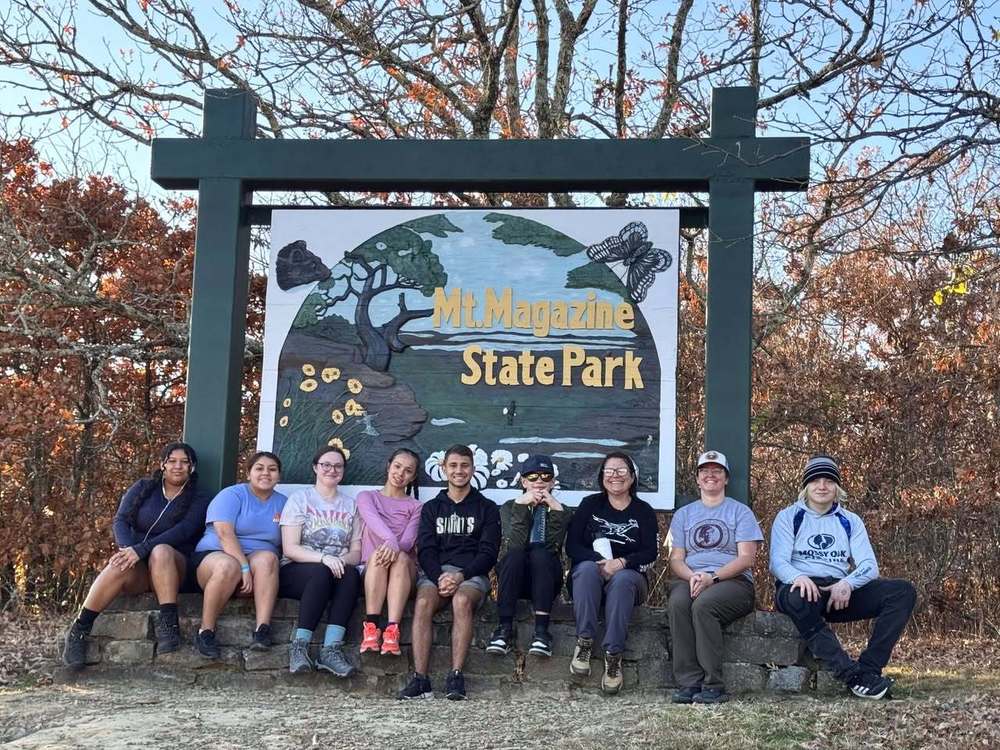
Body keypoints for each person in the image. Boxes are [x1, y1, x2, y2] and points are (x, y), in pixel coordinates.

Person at [770, 454, 916, 700]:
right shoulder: (789, 517)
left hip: (837, 590)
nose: (822, 486)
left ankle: (869, 669)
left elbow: (869, 565)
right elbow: (777, 562)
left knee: (902, 592)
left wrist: (847, 582)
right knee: (796, 596)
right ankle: (851, 675)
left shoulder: (850, 520)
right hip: (800, 589)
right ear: (806, 486)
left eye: (829, 480)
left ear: (837, 487)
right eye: (816, 480)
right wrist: (798, 577)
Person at [62, 442, 210, 669]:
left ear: (192, 467)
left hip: (175, 566)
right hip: (140, 565)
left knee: (161, 552)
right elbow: (120, 520)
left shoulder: (199, 497)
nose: (178, 466)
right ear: (163, 465)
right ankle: (79, 630)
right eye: (172, 461)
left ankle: (169, 623)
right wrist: (127, 549)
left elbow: (184, 530)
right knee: (118, 565)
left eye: (184, 462)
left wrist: (141, 549)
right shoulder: (143, 487)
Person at [398, 444, 501, 701]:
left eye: (464, 465)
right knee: (422, 602)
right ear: (444, 469)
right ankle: (421, 679)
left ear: (473, 469)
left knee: (462, 600)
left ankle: (456, 676)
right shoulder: (432, 508)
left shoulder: (486, 508)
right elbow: (426, 550)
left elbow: (488, 553)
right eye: (453, 465)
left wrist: (461, 576)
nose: (459, 471)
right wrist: (439, 576)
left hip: (472, 575)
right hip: (437, 573)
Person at [666, 450, 764, 704]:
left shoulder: (740, 512)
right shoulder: (683, 515)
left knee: (704, 605)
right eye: (705, 471)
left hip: (733, 583)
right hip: (691, 578)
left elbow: (746, 559)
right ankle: (689, 682)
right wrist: (693, 577)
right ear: (697, 479)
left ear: (726, 478)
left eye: (717, 471)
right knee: (678, 603)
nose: (711, 475)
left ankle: (713, 684)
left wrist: (712, 577)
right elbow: (676, 558)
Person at [565, 452, 658, 695]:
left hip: (630, 577)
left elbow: (650, 552)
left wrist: (622, 562)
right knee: (584, 569)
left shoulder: (644, 511)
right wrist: (600, 562)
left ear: (632, 476)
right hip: (591, 573)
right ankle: (584, 642)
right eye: (609, 471)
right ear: (601, 476)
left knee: (623, 580)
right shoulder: (589, 505)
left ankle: (613, 655)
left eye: (621, 470)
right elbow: (572, 546)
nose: (615, 476)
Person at [190, 451, 287, 659]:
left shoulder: (284, 503)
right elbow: (224, 533)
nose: (266, 473)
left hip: (258, 558)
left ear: (279, 476)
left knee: (268, 559)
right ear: (248, 473)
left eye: (272, 469)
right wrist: (243, 566)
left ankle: (262, 630)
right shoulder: (232, 494)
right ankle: (206, 631)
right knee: (228, 566)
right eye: (259, 468)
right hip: (217, 553)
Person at [279, 446, 362, 676]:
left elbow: (356, 551)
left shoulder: (351, 505)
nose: (331, 470)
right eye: (326, 464)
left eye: (338, 466)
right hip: (296, 570)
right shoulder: (300, 499)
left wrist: (339, 560)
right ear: (316, 467)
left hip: (335, 570)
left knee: (352, 573)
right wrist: (325, 558)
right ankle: (300, 647)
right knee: (321, 572)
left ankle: (330, 651)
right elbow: (290, 548)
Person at [486, 454, 571, 658]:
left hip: (546, 579)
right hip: (515, 577)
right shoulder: (509, 507)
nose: (539, 481)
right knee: (515, 554)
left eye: (545, 476)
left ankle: (541, 633)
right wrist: (522, 506)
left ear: (552, 482)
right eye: (532, 476)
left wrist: (556, 510)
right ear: (523, 481)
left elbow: (552, 548)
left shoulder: (562, 510)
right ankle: (504, 629)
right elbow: (515, 543)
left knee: (541, 554)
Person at [356, 448, 423, 657]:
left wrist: (394, 545)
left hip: (404, 571)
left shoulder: (416, 506)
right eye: (397, 466)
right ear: (388, 466)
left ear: (413, 477)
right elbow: (374, 522)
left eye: (408, 471)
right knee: (378, 555)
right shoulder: (367, 497)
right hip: (372, 569)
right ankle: (372, 626)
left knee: (401, 557)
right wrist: (391, 541)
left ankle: (392, 629)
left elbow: (409, 541)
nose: (400, 473)